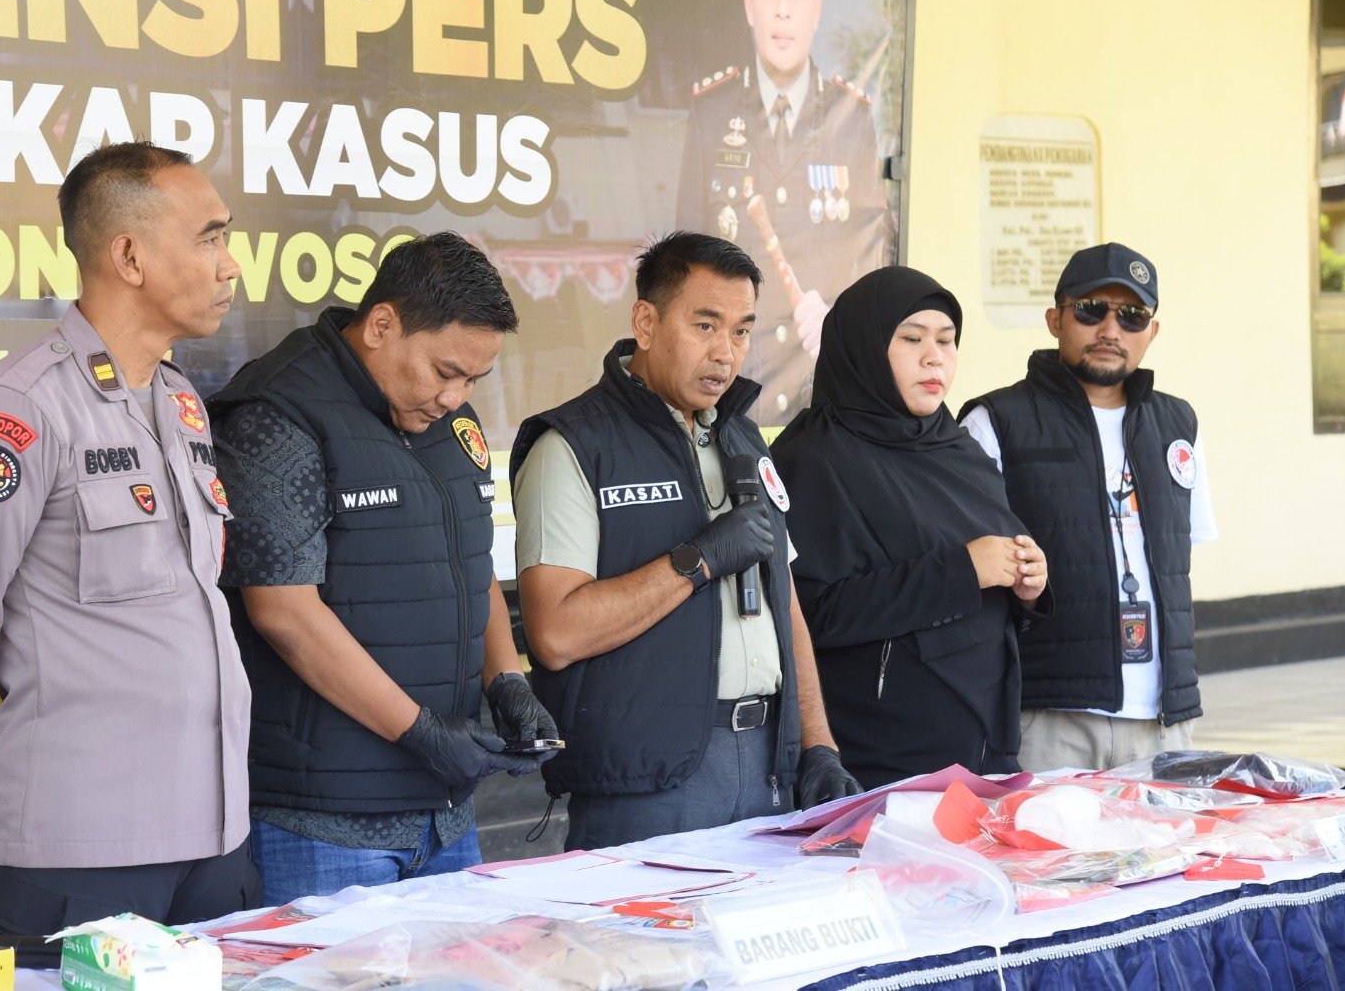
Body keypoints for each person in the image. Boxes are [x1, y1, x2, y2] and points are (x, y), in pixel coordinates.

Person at [0, 141, 256, 934]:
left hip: (214, 840)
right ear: (129, 256)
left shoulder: (179, 403)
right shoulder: (17, 411)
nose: (230, 266)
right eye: (209, 238)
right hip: (74, 851)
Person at [209, 232, 554, 904]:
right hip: (323, 824)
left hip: (446, 815)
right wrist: (418, 731)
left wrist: (507, 679)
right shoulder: (280, 413)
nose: (455, 396)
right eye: (445, 371)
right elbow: (283, 612)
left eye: (473, 380)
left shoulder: (446, 420)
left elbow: (471, 559)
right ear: (382, 325)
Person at [511, 231, 861, 852]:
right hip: (647, 780)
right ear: (646, 323)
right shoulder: (573, 446)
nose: (726, 353)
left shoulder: (744, 439)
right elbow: (556, 634)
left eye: (742, 331)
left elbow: (786, 606)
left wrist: (818, 745)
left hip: (768, 766)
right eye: (705, 325)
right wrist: (697, 561)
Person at [769, 266, 1050, 790]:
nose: (934, 357)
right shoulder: (813, 459)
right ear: (864, 347)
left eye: (946, 340)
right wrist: (962, 571)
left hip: (984, 748)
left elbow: (991, 579)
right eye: (912, 338)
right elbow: (809, 615)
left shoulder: (957, 447)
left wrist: (1027, 583)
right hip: (879, 761)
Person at [959, 243, 1216, 772]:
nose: (1110, 329)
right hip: (1048, 716)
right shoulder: (995, 422)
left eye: (1131, 315)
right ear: (1055, 319)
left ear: (1152, 331)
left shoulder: (1178, 425)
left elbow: (1176, 566)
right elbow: (968, 575)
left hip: (1164, 720)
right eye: (1091, 310)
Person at [677, 0, 893, 421]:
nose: (782, 10)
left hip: (819, 390)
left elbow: (870, 262)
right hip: (727, 389)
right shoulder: (711, 111)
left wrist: (839, 325)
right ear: (749, 2)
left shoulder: (852, 118)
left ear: (816, 6)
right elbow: (683, 263)